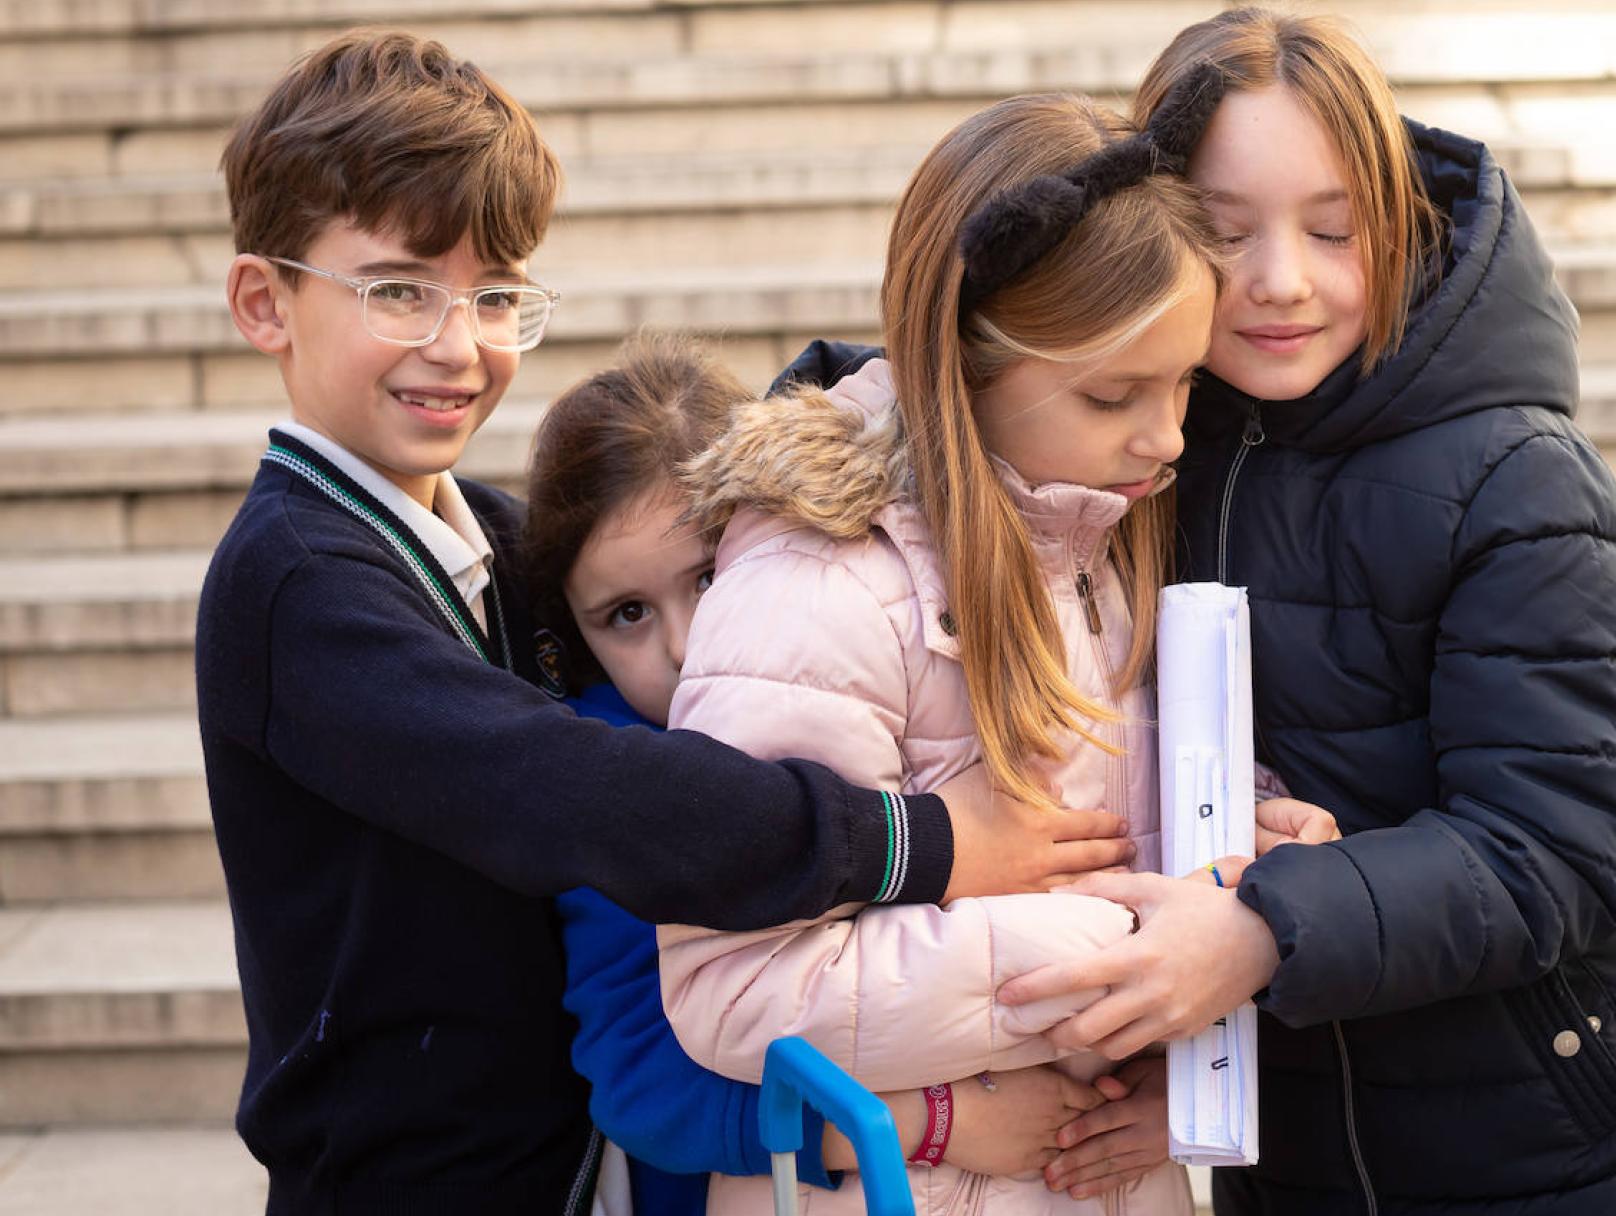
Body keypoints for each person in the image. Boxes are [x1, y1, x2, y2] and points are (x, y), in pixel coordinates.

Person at [194, 31, 1132, 1213]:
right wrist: (921, 842)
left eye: (493, 294)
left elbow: (710, 531)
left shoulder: (489, 533)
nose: (457, 342)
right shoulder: (296, 582)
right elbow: (566, 787)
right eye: (397, 289)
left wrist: (906, 402)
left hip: (562, 1163)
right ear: (262, 302)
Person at [993, 9, 1616, 1214]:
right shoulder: (1157, 450)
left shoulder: (1516, 479)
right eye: (1224, 233)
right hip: (1295, 1153)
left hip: (1552, 1150)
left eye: (1335, 229)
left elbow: (1555, 844)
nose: (1282, 279)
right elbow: (977, 364)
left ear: (1397, 220)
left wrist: (1258, 932)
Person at [645, 90, 1234, 1214]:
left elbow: (1113, 806)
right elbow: (728, 985)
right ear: (963, 362)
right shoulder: (817, 586)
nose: (1165, 438)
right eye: (1115, 393)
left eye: (1185, 384)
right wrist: (1105, 954)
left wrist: (1251, 841)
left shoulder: (1102, 536)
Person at [522, 329, 1126, 1212]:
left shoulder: (852, 668)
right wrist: (924, 1119)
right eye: (624, 614)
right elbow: (644, 1081)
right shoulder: (613, 784)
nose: (683, 645)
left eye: (707, 577)